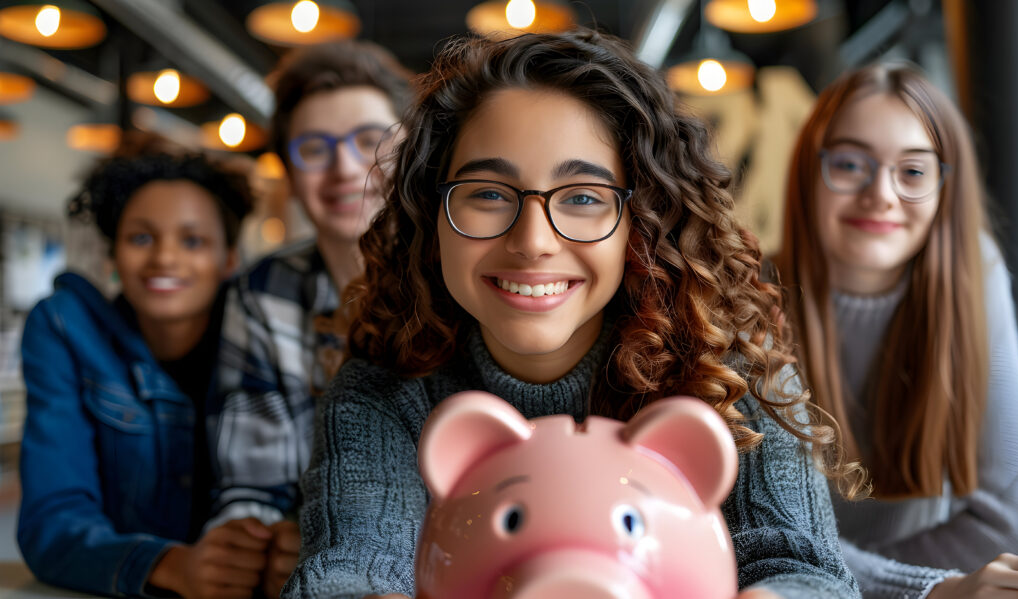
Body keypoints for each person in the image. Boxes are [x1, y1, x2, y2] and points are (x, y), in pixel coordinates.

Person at [283, 28, 865, 599]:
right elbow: (352, 566)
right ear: (430, 217)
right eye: (487, 193)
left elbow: (805, 569)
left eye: (583, 197)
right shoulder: (384, 389)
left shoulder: (728, 373)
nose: (533, 241)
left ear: (644, 222)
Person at [774, 62, 1018, 598]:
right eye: (849, 163)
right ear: (807, 174)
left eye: (912, 172)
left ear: (943, 189)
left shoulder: (975, 276)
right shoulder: (750, 301)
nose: (881, 194)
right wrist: (926, 589)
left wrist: (847, 579)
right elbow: (772, 541)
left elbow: (1016, 529)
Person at [206, 40, 412, 598]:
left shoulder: (462, 276)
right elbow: (253, 475)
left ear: (412, 150)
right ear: (290, 174)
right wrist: (258, 539)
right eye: (314, 149)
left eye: (370, 140)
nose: (346, 168)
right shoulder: (263, 290)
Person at [18, 151, 261, 598]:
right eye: (141, 237)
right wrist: (171, 565)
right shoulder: (66, 330)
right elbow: (50, 525)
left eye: (193, 242)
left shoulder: (270, 339)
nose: (165, 258)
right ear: (113, 252)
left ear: (229, 260)